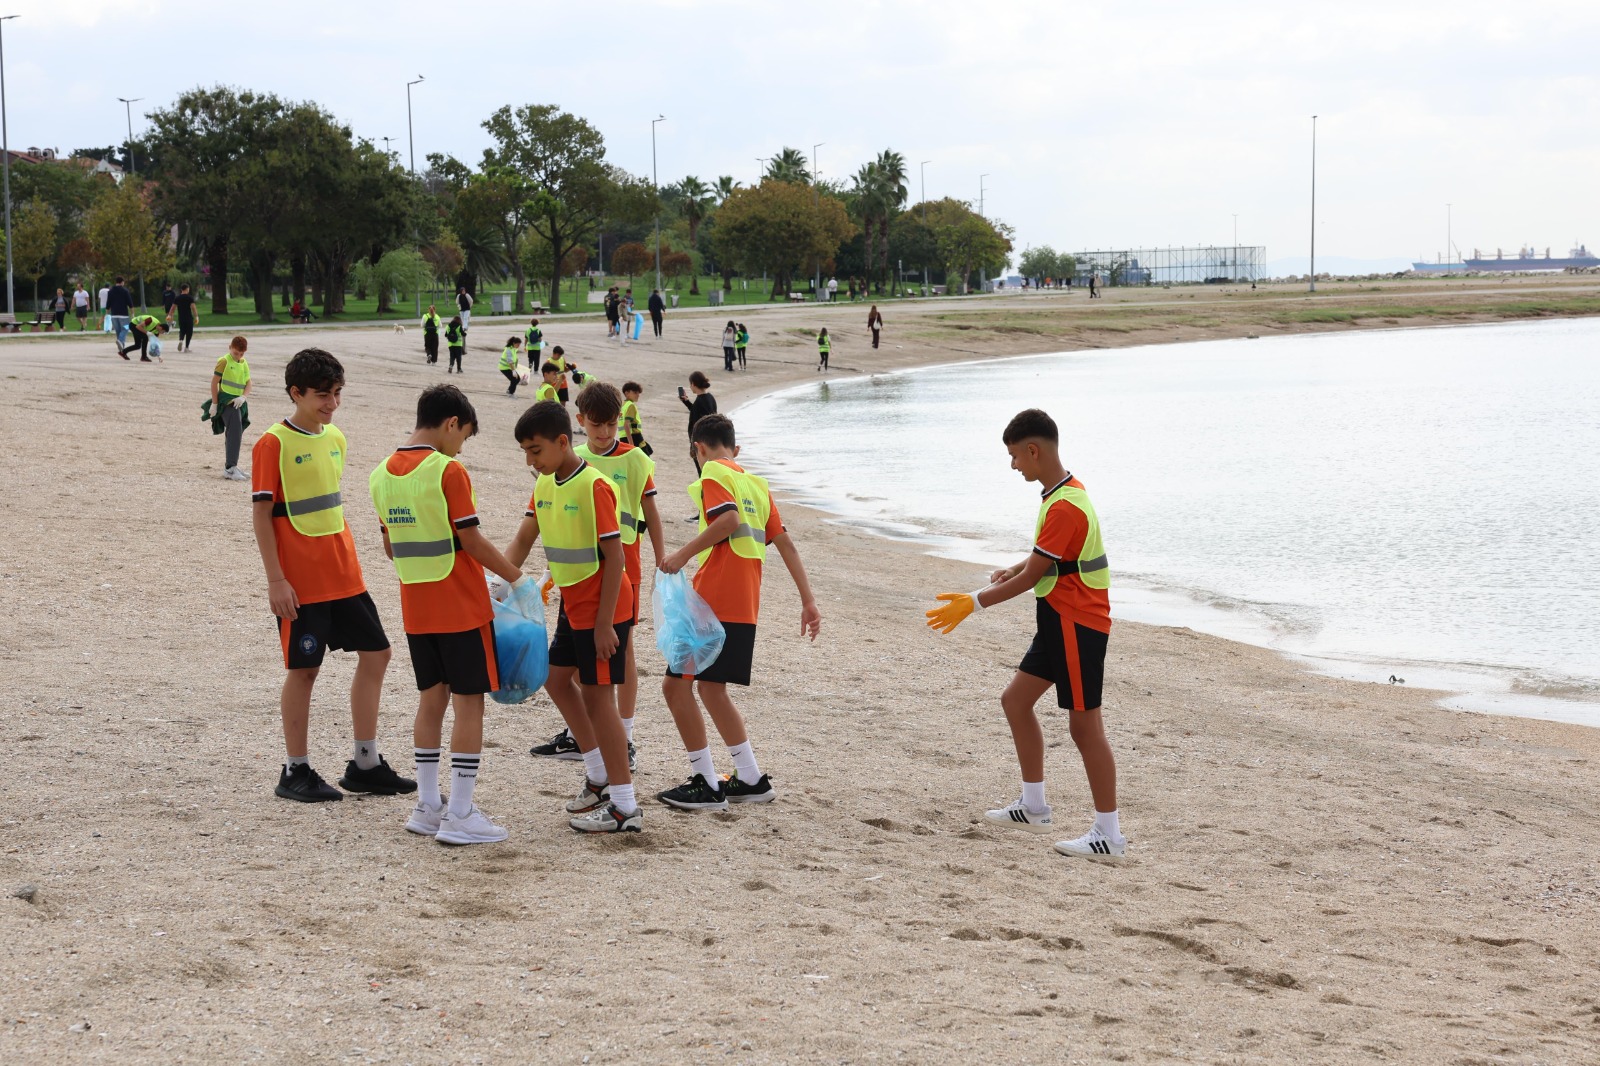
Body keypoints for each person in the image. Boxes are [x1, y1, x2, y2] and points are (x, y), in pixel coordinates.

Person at [923, 408, 1125, 859]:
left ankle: (1109, 835)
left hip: (1078, 623)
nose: (1014, 465)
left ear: (1034, 450)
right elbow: (1046, 560)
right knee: (1015, 701)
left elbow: (1036, 574)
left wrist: (974, 602)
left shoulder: (1066, 504)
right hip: (1057, 618)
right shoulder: (1060, 494)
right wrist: (1013, 567)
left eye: (1015, 456)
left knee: (1085, 727)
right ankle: (1034, 807)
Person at [250, 348, 409, 803]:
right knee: (305, 670)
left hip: (344, 573)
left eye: (337, 394)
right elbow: (263, 516)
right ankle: (294, 771)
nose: (332, 404)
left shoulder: (336, 438)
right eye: (323, 395)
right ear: (295, 393)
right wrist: (276, 581)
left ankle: (365, 764)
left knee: (378, 653)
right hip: (301, 582)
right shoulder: (272, 443)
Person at [370, 384, 527, 845]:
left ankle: (427, 805)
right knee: (469, 703)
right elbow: (472, 541)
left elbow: (389, 546)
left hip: (416, 605)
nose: (462, 446)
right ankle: (460, 813)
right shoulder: (447, 470)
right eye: (465, 436)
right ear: (452, 423)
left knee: (430, 700)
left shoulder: (381, 473)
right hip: (459, 606)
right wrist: (517, 579)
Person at [655, 413, 821, 810]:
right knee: (712, 689)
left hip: (712, 602)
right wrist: (808, 601)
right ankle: (750, 779)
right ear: (737, 449)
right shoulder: (757, 485)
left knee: (674, 688)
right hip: (745, 604)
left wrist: (680, 555)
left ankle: (706, 783)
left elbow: (727, 520)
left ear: (698, 448)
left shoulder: (713, 472)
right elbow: (787, 546)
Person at [504, 400, 641, 833]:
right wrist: (501, 586)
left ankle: (625, 807)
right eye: (525, 451)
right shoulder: (544, 484)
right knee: (556, 678)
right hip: (571, 606)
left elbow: (615, 557)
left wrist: (604, 625)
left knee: (602, 700)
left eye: (535, 450)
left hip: (604, 609)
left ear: (563, 442)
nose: (530, 460)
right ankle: (599, 776)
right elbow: (524, 539)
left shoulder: (595, 486)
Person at [528, 382, 663, 767]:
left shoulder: (635, 459)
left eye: (612, 424)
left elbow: (650, 512)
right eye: (597, 425)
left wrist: (662, 560)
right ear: (580, 421)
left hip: (624, 567)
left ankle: (627, 736)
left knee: (622, 652)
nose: (605, 433)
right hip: (578, 571)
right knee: (572, 654)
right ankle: (579, 735)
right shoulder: (569, 457)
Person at [211, 335, 252, 480]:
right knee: (235, 432)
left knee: (236, 432)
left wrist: (244, 397)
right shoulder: (224, 361)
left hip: (238, 402)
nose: (238, 356)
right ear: (230, 348)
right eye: (236, 353)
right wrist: (214, 404)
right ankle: (230, 469)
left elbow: (248, 383)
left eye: (241, 354)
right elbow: (214, 383)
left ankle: (232, 466)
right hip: (226, 401)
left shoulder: (243, 362)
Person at [679, 370, 716, 477]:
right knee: (709, 473)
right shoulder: (710, 398)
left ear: (693, 384)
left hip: (700, 443)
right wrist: (686, 402)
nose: (690, 387)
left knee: (703, 474)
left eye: (690, 384)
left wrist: (693, 446)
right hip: (711, 441)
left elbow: (696, 424)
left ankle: (704, 494)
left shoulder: (700, 401)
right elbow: (699, 413)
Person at [621, 381, 652, 455]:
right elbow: (626, 424)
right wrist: (631, 443)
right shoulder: (631, 406)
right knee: (645, 460)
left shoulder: (622, 405)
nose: (638, 395)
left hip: (623, 438)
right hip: (634, 437)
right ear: (626, 393)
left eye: (638, 393)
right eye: (635, 392)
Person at [106, 276, 133, 347]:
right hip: (123, 315)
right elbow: (130, 303)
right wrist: (132, 313)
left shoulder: (110, 291)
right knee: (125, 329)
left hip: (114, 314)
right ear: (122, 282)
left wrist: (107, 314)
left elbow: (108, 304)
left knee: (118, 331)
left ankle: (121, 346)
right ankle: (120, 341)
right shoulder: (125, 291)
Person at [172, 283, 199, 351]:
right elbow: (193, 308)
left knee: (182, 330)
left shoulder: (177, 298)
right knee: (189, 332)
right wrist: (196, 316)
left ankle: (181, 340)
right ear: (187, 289)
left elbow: (173, 308)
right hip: (188, 317)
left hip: (181, 317)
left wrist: (169, 315)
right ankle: (186, 347)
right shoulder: (190, 298)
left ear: (181, 289)